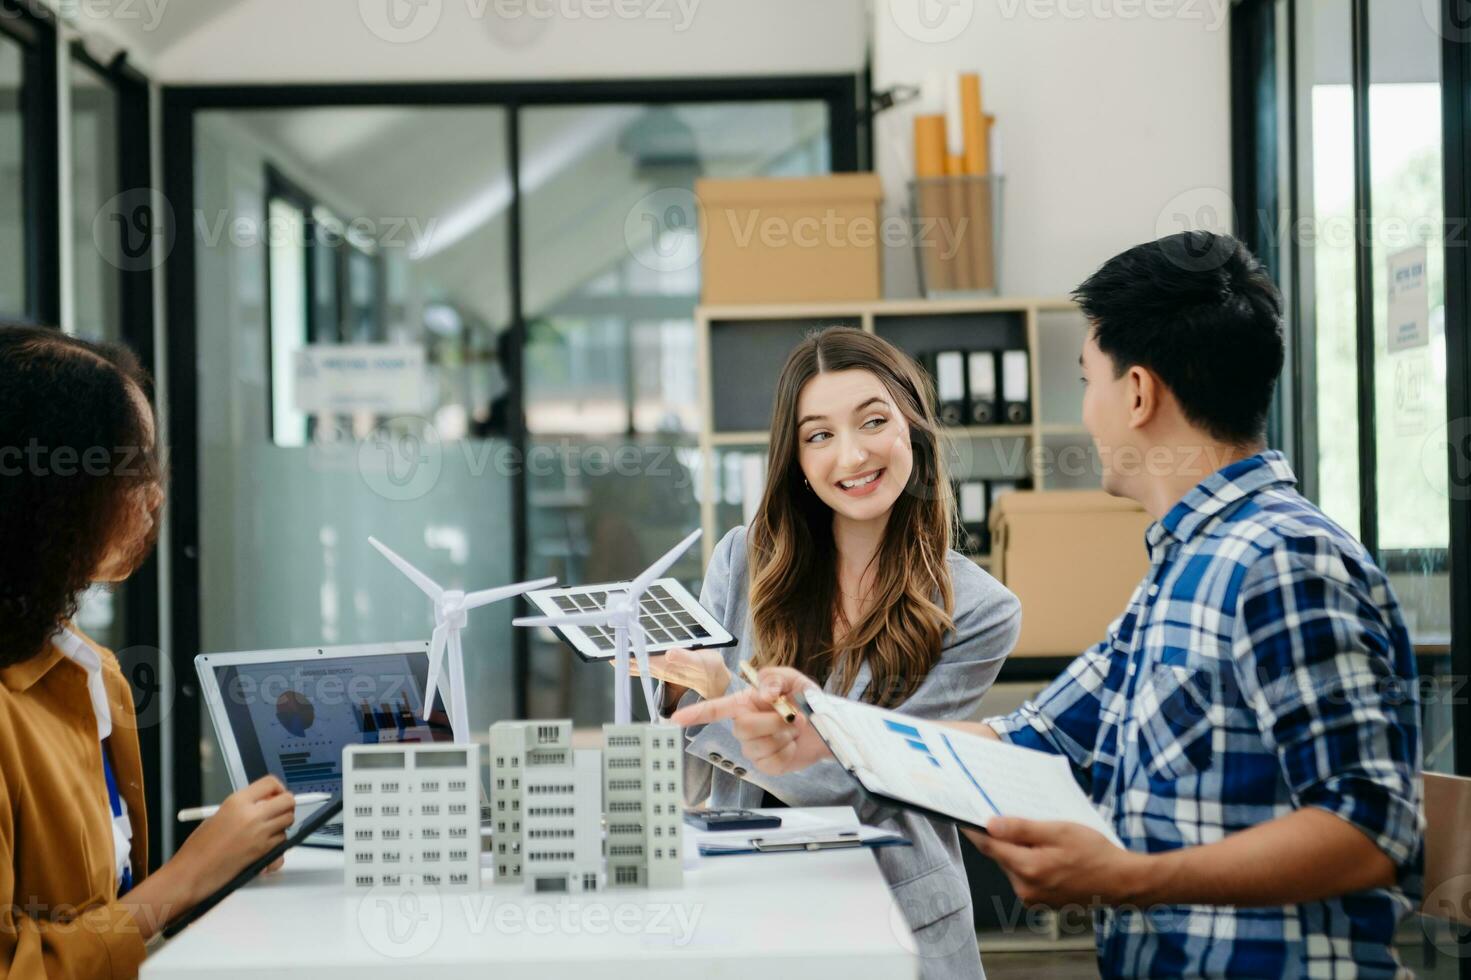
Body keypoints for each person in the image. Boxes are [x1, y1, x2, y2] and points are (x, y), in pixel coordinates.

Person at [674, 233, 1423, 979]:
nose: (1084, 409)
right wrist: (826, 730)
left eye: (1085, 378)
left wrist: (1125, 877)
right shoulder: (1182, 570)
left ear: (1135, 394)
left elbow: (1370, 827)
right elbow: (1030, 737)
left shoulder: (1282, 560)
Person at [634, 327, 1020, 979]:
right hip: (746, 899)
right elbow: (684, 760)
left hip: (893, 908)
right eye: (818, 435)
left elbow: (873, 783)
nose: (851, 455)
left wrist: (722, 697)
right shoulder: (743, 558)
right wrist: (675, 693)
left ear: (912, 429)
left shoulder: (977, 609)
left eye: (872, 421)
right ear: (796, 458)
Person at [0, 324, 303, 976]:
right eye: (131, 468)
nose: (154, 496)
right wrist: (186, 878)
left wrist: (217, 863)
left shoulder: (88, 671)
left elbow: (96, 911)